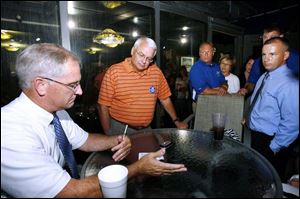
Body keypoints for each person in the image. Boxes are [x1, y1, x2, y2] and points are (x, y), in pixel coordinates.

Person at [1, 43, 187, 198]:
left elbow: (86, 140)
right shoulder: (9, 132)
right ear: (41, 86)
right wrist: (138, 169)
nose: (81, 92)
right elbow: (71, 194)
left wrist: (116, 140)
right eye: (72, 85)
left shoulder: (57, 113)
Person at [98, 37, 188, 135]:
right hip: (120, 129)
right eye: (141, 55)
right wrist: (108, 134)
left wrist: (176, 121)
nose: (144, 61)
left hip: (146, 129)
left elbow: (165, 99)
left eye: (149, 58)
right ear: (133, 50)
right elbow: (103, 105)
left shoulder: (156, 73)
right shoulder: (114, 72)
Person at [248, 37, 299, 181]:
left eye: (272, 54)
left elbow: (293, 122)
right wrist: (249, 116)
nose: (266, 59)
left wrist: (275, 146)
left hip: (271, 141)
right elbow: (259, 102)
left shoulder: (289, 84)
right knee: (256, 179)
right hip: (258, 137)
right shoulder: (265, 76)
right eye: (264, 54)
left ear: (286, 55)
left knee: (268, 184)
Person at [238, 25, 299, 96]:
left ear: (281, 37)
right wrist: (246, 89)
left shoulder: (296, 58)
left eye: (272, 37)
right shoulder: (258, 62)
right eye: (265, 37)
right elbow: (252, 82)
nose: (268, 40)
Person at [189, 42, 228, 112]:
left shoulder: (216, 66)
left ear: (213, 53)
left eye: (208, 52)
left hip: (217, 102)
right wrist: (219, 90)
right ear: (199, 53)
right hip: (201, 104)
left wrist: (223, 87)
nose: (206, 54)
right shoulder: (196, 68)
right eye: (203, 52)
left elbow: (223, 81)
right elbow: (203, 91)